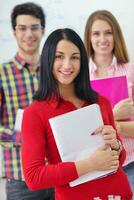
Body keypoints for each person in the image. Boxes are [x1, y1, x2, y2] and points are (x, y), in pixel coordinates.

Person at [21, 28, 132, 199]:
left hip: (117, 193)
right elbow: (33, 177)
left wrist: (116, 145)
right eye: (59, 57)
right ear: (48, 59)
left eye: (74, 57)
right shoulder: (34, 113)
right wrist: (89, 164)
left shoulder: (100, 102)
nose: (67, 65)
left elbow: (119, 160)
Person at [0, 2, 54, 200]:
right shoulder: (2, 74)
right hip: (21, 180)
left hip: (58, 173)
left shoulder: (56, 71)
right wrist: (22, 136)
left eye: (34, 27)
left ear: (43, 30)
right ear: (14, 32)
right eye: (22, 28)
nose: (29, 34)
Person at [84, 9, 134, 192]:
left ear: (116, 36)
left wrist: (116, 127)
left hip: (130, 164)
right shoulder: (79, 77)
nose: (102, 39)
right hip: (94, 168)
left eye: (108, 32)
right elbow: (82, 130)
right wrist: (115, 116)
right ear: (89, 38)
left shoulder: (130, 71)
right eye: (96, 33)